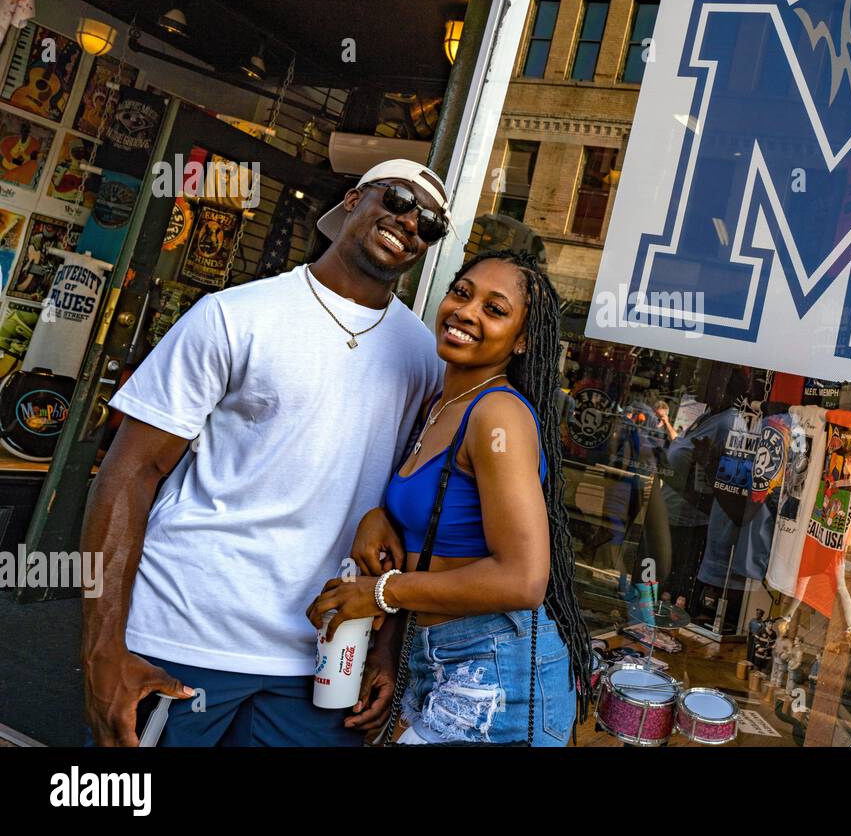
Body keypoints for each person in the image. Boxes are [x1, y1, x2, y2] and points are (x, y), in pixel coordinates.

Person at [81, 158, 449, 746]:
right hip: (184, 635)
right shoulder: (234, 315)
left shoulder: (425, 360)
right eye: (398, 199)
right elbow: (130, 473)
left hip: (325, 656)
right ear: (354, 199)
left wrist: (385, 646)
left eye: (430, 223)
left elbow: (406, 513)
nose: (410, 222)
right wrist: (102, 647)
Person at [308, 249, 591, 746]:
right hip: (437, 653)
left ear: (523, 340)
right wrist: (379, 517)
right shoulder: (445, 403)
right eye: (462, 293)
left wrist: (380, 594)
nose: (466, 311)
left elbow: (523, 579)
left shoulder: (496, 415)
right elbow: (437, 527)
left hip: (495, 673)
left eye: (495, 309)